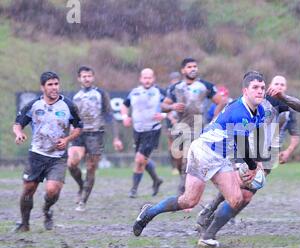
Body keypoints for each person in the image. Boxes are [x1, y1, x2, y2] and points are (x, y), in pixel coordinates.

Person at [132, 71, 268, 248]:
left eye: (263, 88)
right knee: (189, 201)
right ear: (245, 91)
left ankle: (208, 236)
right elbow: (242, 147)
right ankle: (150, 212)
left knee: (236, 199)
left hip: (221, 156)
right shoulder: (239, 112)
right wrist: (251, 166)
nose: (260, 91)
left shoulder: (260, 111)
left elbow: (254, 139)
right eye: (255, 88)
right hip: (204, 152)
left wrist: (258, 163)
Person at [196, 75, 300, 233]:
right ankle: (210, 215)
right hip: (247, 148)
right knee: (239, 186)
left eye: (282, 84)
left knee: (247, 193)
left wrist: (288, 150)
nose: (279, 87)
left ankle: (216, 215)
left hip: (269, 154)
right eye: (276, 84)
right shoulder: (252, 102)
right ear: (268, 86)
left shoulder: (284, 104)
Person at [13, 71, 83, 232]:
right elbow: (18, 124)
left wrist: (66, 140)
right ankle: (25, 224)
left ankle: (47, 209)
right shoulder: (33, 105)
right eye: (50, 84)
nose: (54, 87)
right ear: (42, 87)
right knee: (28, 190)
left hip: (57, 157)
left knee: (52, 191)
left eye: (56, 84)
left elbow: (79, 127)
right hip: (36, 155)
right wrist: (19, 133)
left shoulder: (69, 105)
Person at [161, 58, 225, 195]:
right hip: (179, 125)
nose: (193, 69)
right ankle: (183, 178)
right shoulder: (175, 87)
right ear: (183, 70)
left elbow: (220, 101)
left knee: (187, 157)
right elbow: (163, 106)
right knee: (177, 156)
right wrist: (172, 106)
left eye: (195, 66)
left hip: (197, 125)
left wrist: (215, 118)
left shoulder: (205, 85)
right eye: (189, 67)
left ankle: (183, 189)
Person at [68, 66, 123, 212]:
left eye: (89, 76)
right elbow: (71, 118)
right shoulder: (75, 96)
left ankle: (83, 201)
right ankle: (81, 185)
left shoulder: (100, 94)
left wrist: (116, 138)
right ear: (79, 78)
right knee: (72, 163)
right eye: (84, 76)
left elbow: (110, 115)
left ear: (93, 77)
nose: (87, 78)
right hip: (79, 134)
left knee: (91, 168)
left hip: (95, 135)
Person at [121, 68, 165, 198]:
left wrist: (164, 114)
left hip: (152, 130)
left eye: (149, 77)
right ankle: (156, 180)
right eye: (145, 77)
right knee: (142, 160)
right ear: (140, 79)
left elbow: (171, 106)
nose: (147, 80)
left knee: (139, 159)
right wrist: (125, 117)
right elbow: (124, 106)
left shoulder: (159, 92)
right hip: (138, 131)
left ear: (154, 79)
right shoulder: (134, 93)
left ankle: (133, 190)